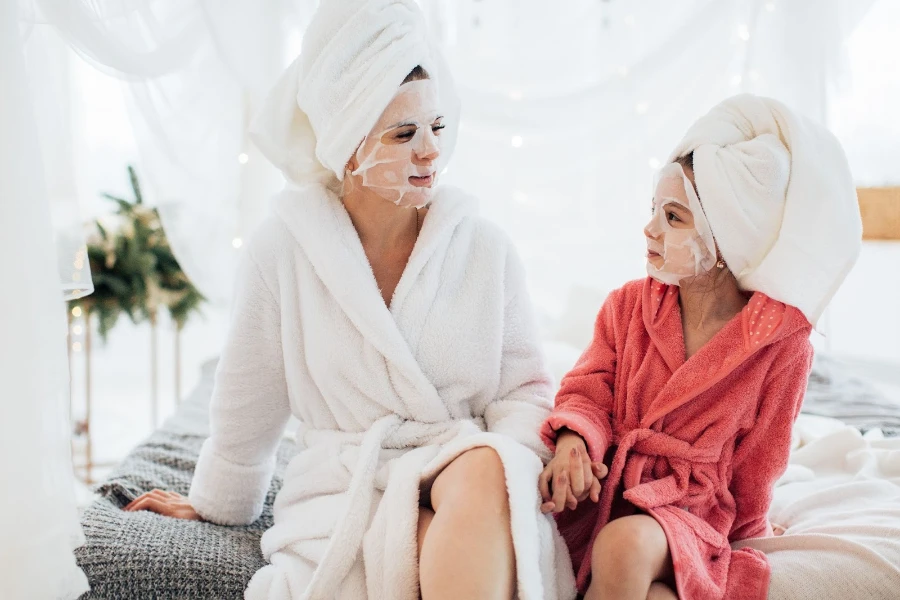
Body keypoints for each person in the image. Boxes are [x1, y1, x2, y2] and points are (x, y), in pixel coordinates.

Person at [124, 1, 577, 599]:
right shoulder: (284, 249)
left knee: (490, 466)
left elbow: (523, 390)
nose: (430, 153)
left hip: (463, 463)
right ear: (349, 143)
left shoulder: (485, 248)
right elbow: (248, 400)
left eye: (437, 128)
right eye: (404, 133)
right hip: (347, 482)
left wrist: (522, 462)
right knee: (414, 549)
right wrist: (217, 501)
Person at [537, 94, 862, 600]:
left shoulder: (780, 346)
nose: (649, 230)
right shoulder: (627, 306)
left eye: (674, 218)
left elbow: (759, 466)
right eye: (653, 211)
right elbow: (588, 390)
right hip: (610, 487)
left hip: (693, 512)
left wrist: (748, 533)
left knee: (623, 546)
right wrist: (575, 441)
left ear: (724, 241)